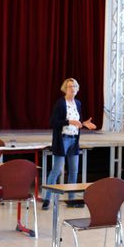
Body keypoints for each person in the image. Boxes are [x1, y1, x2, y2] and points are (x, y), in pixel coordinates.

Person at [42, 78, 96, 210]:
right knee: (57, 170)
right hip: (62, 140)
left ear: (77, 89)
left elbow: (77, 121)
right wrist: (69, 122)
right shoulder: (60, 103)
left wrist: (83, 124)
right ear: (65, 89)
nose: (72, 88)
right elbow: (53, 122)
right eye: (70, 86)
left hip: (74, 140)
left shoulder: (78, 103)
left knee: (73, 171)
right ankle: (47, 199)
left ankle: (71, 199)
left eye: (75, 86)